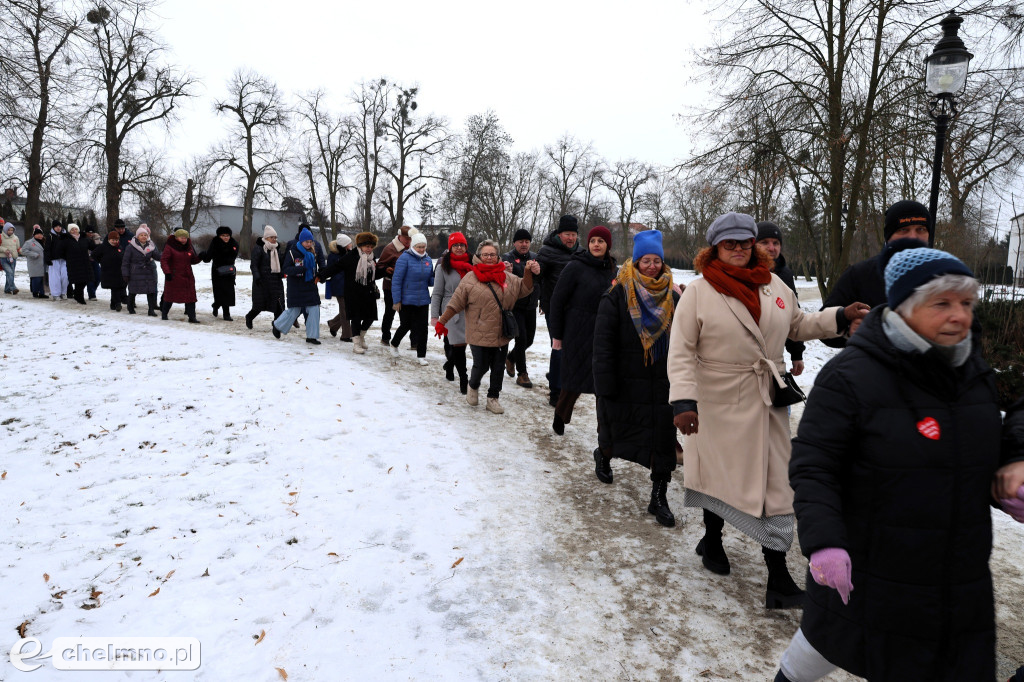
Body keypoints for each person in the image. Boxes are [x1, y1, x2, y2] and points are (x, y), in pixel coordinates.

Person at [774, 243, 1024, 682]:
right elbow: (815, 465)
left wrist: (1010, 471)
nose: (959, 315)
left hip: (957, 579)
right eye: (941, 303)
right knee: (819, 652)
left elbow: (977, 445)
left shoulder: (973, 372)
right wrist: (825, 541)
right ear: (905, 307)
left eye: (966, 303)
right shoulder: (850, 377)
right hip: (874, 573)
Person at [667, 212, 868, 609]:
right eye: (730, 244)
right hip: (717, 401)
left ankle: (777, 578)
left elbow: (797, 325)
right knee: (718, 478)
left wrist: (839, 317)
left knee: (778, 487)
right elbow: (682, 349)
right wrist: (683, 401)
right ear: (715, 249)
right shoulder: (699, 292)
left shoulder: (774, 284)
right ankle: (712, 542)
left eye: (745, 243)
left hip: (767, 399)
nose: (739, 250)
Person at [593, 230, 682, 527]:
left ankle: (659, 496)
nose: (653, 266)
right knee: (614, 428)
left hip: (663, 382)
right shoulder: (618, 294)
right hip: (625, 379)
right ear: (637, 260)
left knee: (663, 439)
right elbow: (603, 343)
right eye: (647, 260)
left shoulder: (675, 296)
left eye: (657, 260)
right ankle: (603, 455)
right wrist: (604, 384)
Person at [436, 240, 539, 414]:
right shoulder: (470, 277)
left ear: (498, 256)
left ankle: (493, 398)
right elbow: (456, 302)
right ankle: (473, 386)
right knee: (481, 365)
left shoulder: (507, 277)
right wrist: (441, 321)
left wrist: (529, 271)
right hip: (478, 330)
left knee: (498, 367)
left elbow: (525, 288)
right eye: (485, 254)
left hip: (501, 331)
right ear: (479, 256)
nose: (489, 258)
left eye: (492, 254)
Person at [821, 200, 931, 347]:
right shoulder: (860, 274)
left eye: (921, 229)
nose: (913, 237)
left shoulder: (946, 277)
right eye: (903, 230)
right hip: (871, 367)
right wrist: (848, 328)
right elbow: (823, 325)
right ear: (888, 236)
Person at [547, 225, 617, 436]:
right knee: (573, 382)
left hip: (604, 334)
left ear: (607, 245)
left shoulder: (614, 270)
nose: (596, 244)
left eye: (601, 241)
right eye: (593, 241)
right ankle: (560, 415)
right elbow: (557, 301)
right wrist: (557, 335)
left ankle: (604, 431)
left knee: (603, 384)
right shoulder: (575, 266)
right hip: (577, 333)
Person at [536, 214, 581, 406]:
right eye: (567, 234)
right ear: (559, 234)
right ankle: (556, 391)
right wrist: (536, 270)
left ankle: (560, 380)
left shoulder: (581, 252)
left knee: (571, 349)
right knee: (558, 347)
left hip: (577, 309)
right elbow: (539, 278)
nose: (571, 238)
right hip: (555, 309)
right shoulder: (546, 251)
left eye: (573, 234)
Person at [756, 221, 804, 376]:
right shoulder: (743, 272)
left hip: (775, 361)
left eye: (776, 243)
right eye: (764, 242)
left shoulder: (785, 275)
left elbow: (792, 316)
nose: (772, 248)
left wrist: (796, 354)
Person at [319, 231, 379, 354]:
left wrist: (387, 271)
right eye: (367, 246)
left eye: (371, 247)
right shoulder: (351, 256)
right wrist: (321, 276)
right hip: (354, 292)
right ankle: (356, 343)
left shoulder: (372, 257)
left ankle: (361, 336)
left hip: (368, 292)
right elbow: (336, 267)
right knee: (356, 318)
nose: (369, 249)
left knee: (370, 317)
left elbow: (375, 274)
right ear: (360, 245)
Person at [431, 232, 473, 392]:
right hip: (451, 310)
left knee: (462, 344)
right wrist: (435, 316)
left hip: (470, 309)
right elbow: (437, 292)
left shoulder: (473, 264)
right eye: (456, 245)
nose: (459, 248)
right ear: (450, 248)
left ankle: (449, 365)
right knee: (459, 346)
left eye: (462, 245)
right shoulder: (443, 267)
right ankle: (464, 378)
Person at [272, 226, 325, 344]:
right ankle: (277, 326)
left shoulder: (312, 253)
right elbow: (286, 269)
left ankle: (312, 336)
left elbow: (314, 268)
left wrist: (319, 275)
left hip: (310, 286)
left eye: (311, 241)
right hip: (296, 286)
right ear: (301, 241)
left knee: (314, 309)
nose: (309, 244)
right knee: (294, 310)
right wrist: (301, 269)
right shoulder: (292, 252)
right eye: (307, 242)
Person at [502, 228, 540, 388]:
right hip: (515, 306)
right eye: (521, 241)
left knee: (529, 339)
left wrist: (542, 301)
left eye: (527, 241)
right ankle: (522, 374)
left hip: (531, 305)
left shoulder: (535, 258)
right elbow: (502, 281)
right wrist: (504, 271)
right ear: (514, 243)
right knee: (521, 338)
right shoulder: (508, 258)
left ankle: (511, 358)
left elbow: (540, 280)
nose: (524, 244)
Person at [390, 232, 434, 365]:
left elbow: (430, 280)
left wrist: (437, 277)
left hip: (423, 299)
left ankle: (421, 355)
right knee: (406, 325)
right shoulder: (404, 258)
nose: (421, 249)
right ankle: (394, 343)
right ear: (412, 246)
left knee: (423, 328)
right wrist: (396, 300)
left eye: (423, 247)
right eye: (418, 247)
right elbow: (397, 280)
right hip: (407, 299)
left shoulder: (428, 259)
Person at [376, 225, 418, 346]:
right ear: (399, 236)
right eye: (406, 239)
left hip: (408, 287)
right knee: (390, 312)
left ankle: (414, 341)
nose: (409, 241)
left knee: (409, 315)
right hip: (390, 286)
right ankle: (385, 337)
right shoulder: (390, 248)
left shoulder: (413, 248)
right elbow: (379, 266)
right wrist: (386, 269)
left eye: (410, 239)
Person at [246, 225, 287, 330]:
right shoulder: (259, 248)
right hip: (262, 282)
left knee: (279, 305)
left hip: (276, 281)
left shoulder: (277, 248)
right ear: (266, 237)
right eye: (271, 237)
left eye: (275, 237)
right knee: (259, 306)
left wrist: (283, 272)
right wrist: (257, 276)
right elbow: (254, 264)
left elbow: (281, 263)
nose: (274, 239)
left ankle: (276, 325)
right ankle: (249, 317)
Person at [160, 229, 202, 323]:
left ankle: (192, 317)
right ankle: (164, 314)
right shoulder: (169, 247)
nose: (184, 240)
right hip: (174, 276)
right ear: (176, 238)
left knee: (191, 298)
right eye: (182, 238)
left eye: (185, 238)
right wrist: (167, 272)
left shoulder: (188, 247)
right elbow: (164, 260)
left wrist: (200, 257)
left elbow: (193, 260)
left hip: (188, 277)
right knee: (170, 296)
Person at [121, 225, 161, 316]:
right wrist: (125, 274)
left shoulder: (150, 246)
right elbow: (125, 262)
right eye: (141, 235)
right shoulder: (130, 247)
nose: (144, 237)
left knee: (151, 291)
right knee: (133, 291)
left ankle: (151, 310)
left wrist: (166, 256)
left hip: (148, 272)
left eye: (145, 235)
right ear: (137, 236)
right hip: (135, 272)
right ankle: (130, 307)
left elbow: (157, 256)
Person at [202, 226, 239, 321]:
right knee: (219, 292)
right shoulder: (215, 243)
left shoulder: (234, 243)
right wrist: (203, 255)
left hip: (229, 271)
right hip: (217, 271)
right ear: (219, 236)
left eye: (227, 235)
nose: (226, 237)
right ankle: (216, 305)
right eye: (223, 235)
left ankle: (226, 314)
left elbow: (233, 256)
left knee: (228, 292)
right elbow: (208, 257)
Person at [325, 234, 354, 341]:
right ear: (344, 245)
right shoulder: (333, 256)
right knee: (345, 311)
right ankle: (346, 335)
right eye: (349, 243)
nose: (351, 244)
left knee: (346, 309)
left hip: (348, 286)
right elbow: (330, 270)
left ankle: (333, 324)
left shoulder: (349, 254)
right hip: (339, 286)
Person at [91, 229, 126, 311]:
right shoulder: (103, 247)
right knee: (115, 287)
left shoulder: (119, 247)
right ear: (109, 239)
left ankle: (113, 304)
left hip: (118, 271)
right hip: (108, 271)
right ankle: (117, 303)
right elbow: (94, 254)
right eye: (113, 240)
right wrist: (101, 261)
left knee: (117, 287)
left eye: (116, 240)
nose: (115, 241)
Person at [63, 224, 96, 304]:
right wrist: (68, 257)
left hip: (85, 262)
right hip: (73, 263)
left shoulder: (84, 238)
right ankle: (79, 297)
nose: (74, 231)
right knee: (78, 281)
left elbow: (93, 247)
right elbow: (61, 251)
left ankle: (77, 294)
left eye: (76, 229)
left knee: (87, 279)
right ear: (69, 231)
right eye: (72, 229)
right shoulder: (66, 239)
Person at [45, 220, 68, 300]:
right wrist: (47, 259)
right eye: (56, 227)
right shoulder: (50, 236)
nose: (58, 228)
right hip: (54, 259)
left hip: (64, 259)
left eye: (59, 226)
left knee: (65, 276)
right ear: (53, 228)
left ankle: (63, 292)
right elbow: (47, 249)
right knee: (55, 277)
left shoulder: (65, 236)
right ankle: (55, 294)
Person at [22, 227, 46, 298]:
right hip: (34, 263)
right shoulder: (29, 242)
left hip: (43, 263)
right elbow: (24, 251)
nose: (39, 236)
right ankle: (35, 293)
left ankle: (42, 293)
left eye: (41, 234)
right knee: (36, 278)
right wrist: (34, 254)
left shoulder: (44, 242)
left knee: (42, 279)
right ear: (34, 235)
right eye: (38, 234)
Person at [0, 221, 20, 294]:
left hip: (13, 258)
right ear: (5, 229)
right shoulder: (0, 236)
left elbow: (18, 247)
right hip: (4, 258)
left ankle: (7, 289)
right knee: (9, 272)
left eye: (12, 230)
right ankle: (13, 288)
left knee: (11, 274)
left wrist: (21, 251)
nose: (10, 231)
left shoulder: (16, 238)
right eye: (9, 230)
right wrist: (5, 250)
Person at [83, 225, 101, 299]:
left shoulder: (97, 239)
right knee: (90, 278)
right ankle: (92, 294)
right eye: (88, 232)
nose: (90, 234)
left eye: (92, 232)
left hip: (95, 260)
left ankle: (92, 290)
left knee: (98, 277)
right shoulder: (83, 239)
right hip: (86, 261)